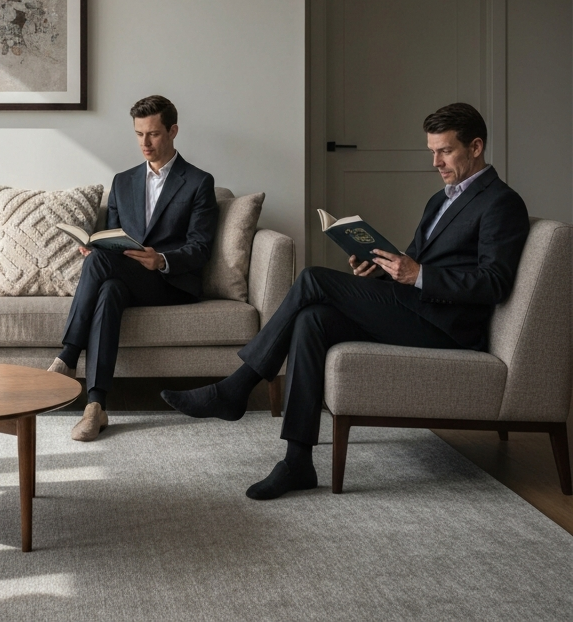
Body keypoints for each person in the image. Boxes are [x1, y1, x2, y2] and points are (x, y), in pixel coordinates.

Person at [163, 102, 529, 499]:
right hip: (415, 307)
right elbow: (414, 261)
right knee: (312, 319)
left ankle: (236, 388)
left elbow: (494, 283)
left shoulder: (501, 203)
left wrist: (418, 274)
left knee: (313, 279)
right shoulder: (441, 199)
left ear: (476, 147)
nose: (436, 161)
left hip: (448, 327)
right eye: (432, 151)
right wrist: (382, 266)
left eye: (445, 151)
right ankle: (297, 462)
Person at [49, 95, 219, 441]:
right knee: (108, 287)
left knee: (102, 267)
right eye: (139, 134)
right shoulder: (123, 181)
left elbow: (200, 248)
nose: (145, 143)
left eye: (153, 134)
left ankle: (67, 356)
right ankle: (95, 406)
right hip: (124, 278)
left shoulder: (199, 182)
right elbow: (112, 236)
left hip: (169, 283)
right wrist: (94, 248)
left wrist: (162, 260)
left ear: (173, 131)